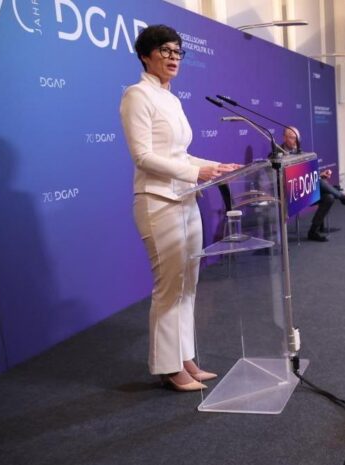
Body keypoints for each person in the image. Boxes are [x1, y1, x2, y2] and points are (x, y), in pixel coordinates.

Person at [120, 25, 241, 391]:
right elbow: (143, 156)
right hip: (158, 202)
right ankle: (168, 366)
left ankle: (185, 357)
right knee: (170, 287)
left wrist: (213, 167)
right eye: (165, 51)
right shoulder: (136, 95)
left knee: (189, 285)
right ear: (145, 55)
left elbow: (179, 154)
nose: (173, 58)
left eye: (177, 52)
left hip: (187, 199)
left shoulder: (171, 99)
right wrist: (194, 172)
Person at [281, 127, 345, 242]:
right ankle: (344, 199)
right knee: (320, 183)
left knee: (329, 197)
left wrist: (320, 174)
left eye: (297, 138)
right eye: (292, 138)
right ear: (284, 138)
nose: (296, 141)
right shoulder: (277, 155)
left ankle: (313, 231)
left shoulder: (300, 153)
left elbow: (307, 174)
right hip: (292, 194)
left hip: (306, 190)